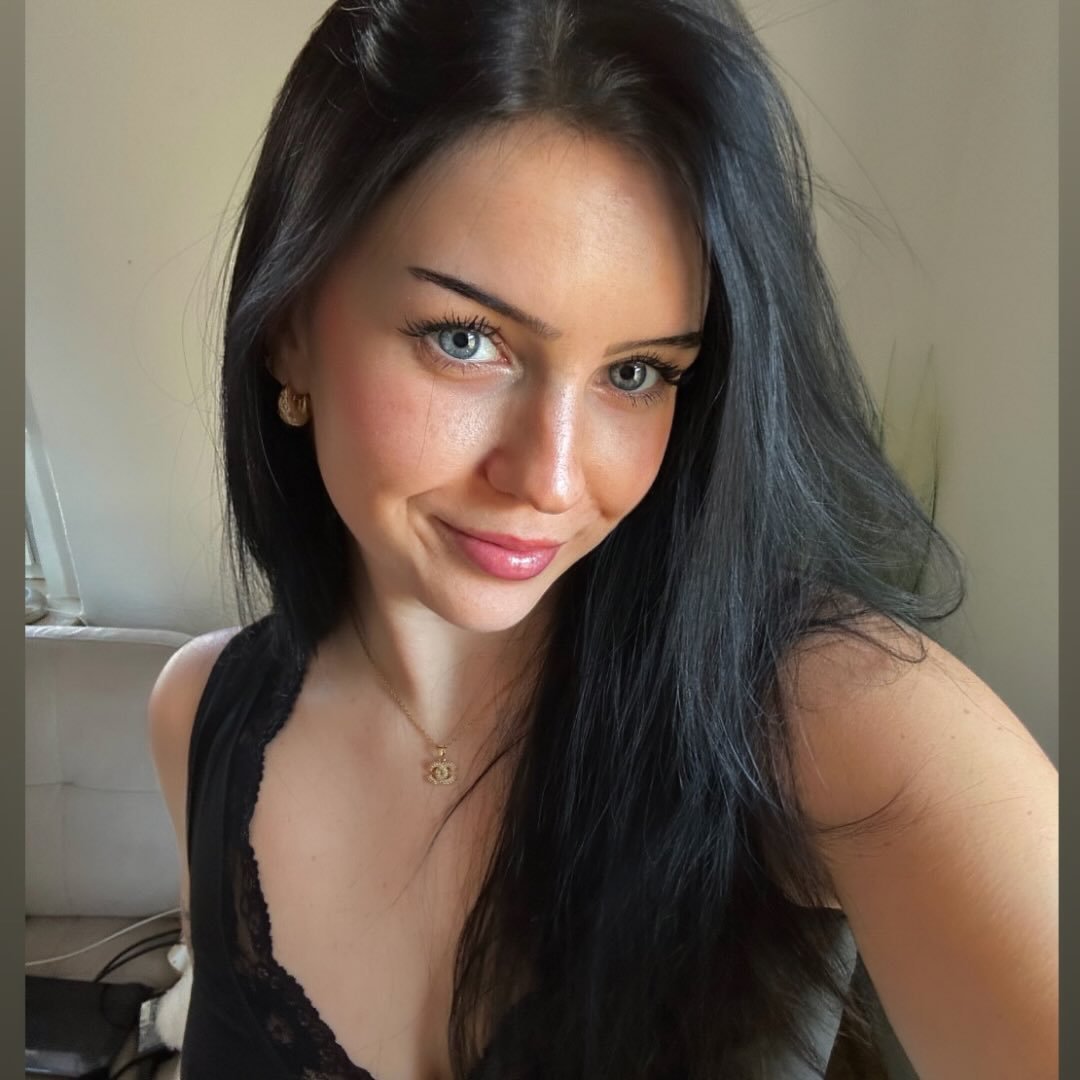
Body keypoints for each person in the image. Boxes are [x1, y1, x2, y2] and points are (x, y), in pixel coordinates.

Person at [147, 1, 1058, 1077]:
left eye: (637, 373)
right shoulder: (197, 714)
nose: (553, 477)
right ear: (289, 328)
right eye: (466, 339)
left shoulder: (818, 716)